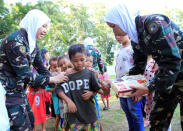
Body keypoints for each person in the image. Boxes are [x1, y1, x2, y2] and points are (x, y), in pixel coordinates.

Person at [105, 3, 183, 130]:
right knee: (157, 121)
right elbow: (138, 66)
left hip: (177, 73)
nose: (114, 31)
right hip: (166, 77)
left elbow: (172, 60)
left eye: (113, 26)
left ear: (122, 18)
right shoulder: (136, 36)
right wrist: (117, 84)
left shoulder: (153, 23)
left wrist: (148, 88)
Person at [0, 9, 68, 130]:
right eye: (43, 26)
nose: (46, 30)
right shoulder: (16, 41)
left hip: (18, 90)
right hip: (6, 91)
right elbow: (25, 75)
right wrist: (53, 78)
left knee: (30, 122)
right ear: (34, 23)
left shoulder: (32, 43)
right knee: (19, 126)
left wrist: (61, 77)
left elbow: (41, 69)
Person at [56, 44, 101, 130]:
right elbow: (58, 89)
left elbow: (97, 89)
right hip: (74, 117)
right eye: (75, 60)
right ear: (71, 60)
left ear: (85, 58)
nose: (79, 63)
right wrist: (68, 101)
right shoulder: (67, 75)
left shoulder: (90, 73)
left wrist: (91, 93)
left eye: (82, 59)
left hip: (90, 115)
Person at [115, 34, 145, 131]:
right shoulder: (119, 50)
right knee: (128, 114)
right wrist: (117, 89)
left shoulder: (134, 48)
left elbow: (141, 69)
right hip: (122, 89)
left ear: (128, 33)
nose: (117, 37)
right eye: (115, 35)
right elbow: (118, 71)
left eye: (119, 34)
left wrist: (139, 88)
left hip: (133, 89)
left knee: (136, 116)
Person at [46, 57, 61, 131]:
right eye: (55, 67)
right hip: (56, 98)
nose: (57, 68)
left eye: (58, 66)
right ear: (51, 67)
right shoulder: (50, 77)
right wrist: (55, 89)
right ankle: (56, 128)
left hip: (64, 99)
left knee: (64, 115)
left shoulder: (63, 73)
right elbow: (47, 89)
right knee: (58, 116)